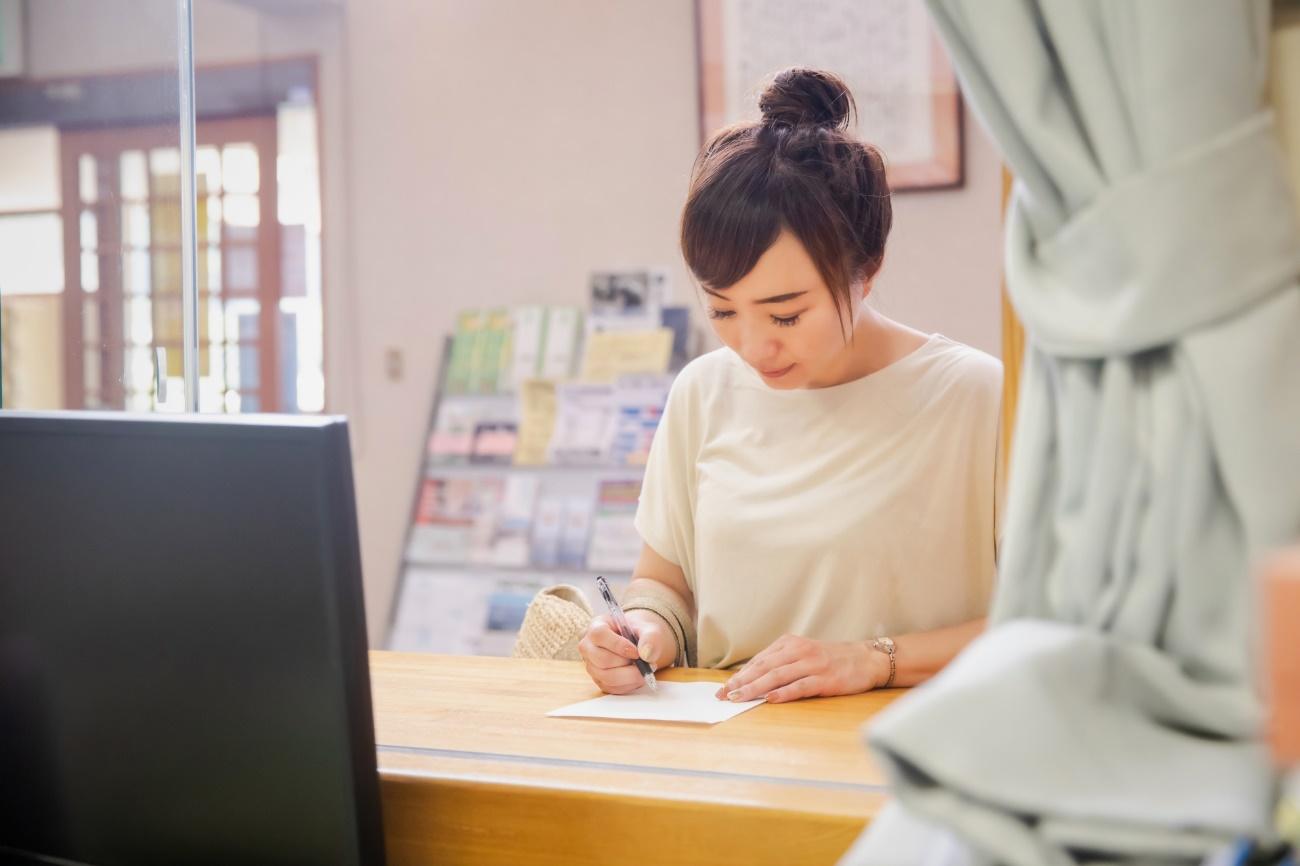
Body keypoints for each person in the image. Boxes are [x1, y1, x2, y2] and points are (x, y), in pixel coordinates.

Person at [578, 68, 1002, 704]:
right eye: (723, 311)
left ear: (868, 267)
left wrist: (873, 661)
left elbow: (1057, 618)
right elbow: (664, 585)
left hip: (907, 755)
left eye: (785, 314)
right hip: (728, 755)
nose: (752, 347)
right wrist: (642, 629)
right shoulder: (703, 392)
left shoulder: (977, 397)